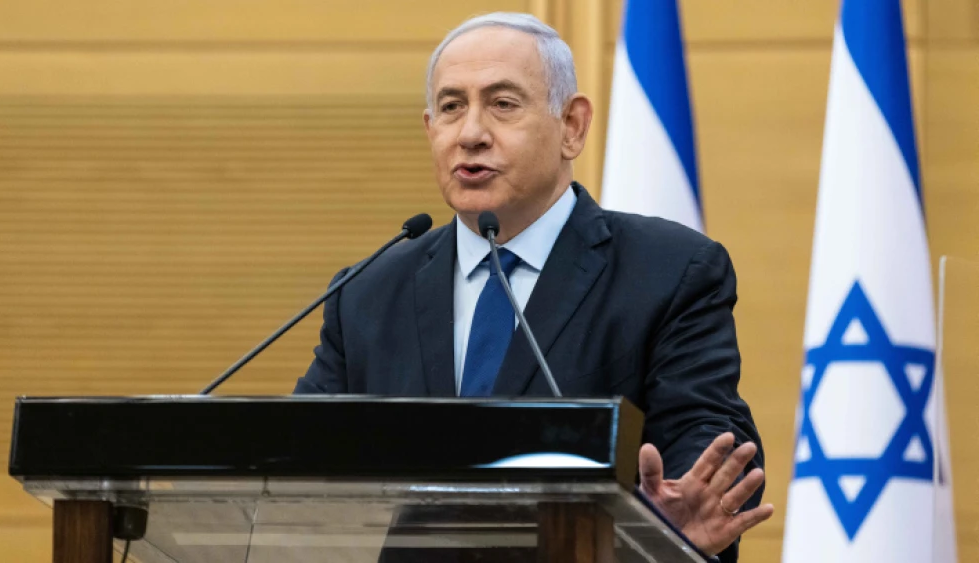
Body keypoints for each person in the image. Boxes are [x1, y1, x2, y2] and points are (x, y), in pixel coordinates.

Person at [293, 12, 773, 562]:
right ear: (431, 129)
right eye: (451, 107)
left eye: (502, 104)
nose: (470, 133)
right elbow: (295, 455)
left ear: (572, 126)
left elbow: (704, 433)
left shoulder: (668, 271)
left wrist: (673, 515)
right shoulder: (369, 293)